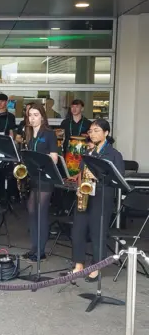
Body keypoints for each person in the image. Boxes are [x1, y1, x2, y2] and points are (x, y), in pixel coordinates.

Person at [66, 119, 123, 281]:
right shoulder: (88, 153)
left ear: (106, 133)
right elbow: (81, 173)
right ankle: (78, 265)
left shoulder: (114, 154)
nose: (93, 134)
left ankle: (96, 267)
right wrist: (79, 189)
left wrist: (98, 177)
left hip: (102, 197)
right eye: (91, 131)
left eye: (97, 130)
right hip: (85, 195)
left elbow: (118, 178)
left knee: (98, 233)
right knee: (77, 231)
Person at [20, 104, 59, 263]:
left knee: (41, 213)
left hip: (46, 177)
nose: (32, 118)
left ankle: (41, 251)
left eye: (36, 115)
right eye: (30, 115)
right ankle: (34, 248)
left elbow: (54, 157)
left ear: (42, 116)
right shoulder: (29, 133)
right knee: (31, 210)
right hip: (34, 177)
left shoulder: (49, 134)